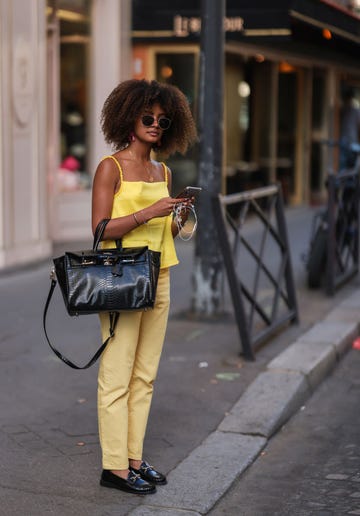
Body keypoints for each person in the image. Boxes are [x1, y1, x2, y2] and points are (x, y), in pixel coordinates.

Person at [91, 79, 198, 495]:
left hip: (161, 275)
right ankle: (114, 466)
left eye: (163, 120)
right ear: (129, 118)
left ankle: (134, 459)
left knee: (145, 375)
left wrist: (175, 217)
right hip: (121, 277)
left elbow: (163, 230)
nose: (156, 124)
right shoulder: (110, 167)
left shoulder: (163, 170)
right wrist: (150, 211)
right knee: (117, 373)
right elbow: (101, 228)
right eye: (148, 117)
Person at [339, 87, 360, 170]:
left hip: (349, 142)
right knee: (346, 166)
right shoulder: (343, 111)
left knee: (347, 166)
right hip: (347, 142)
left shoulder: (353, 111)